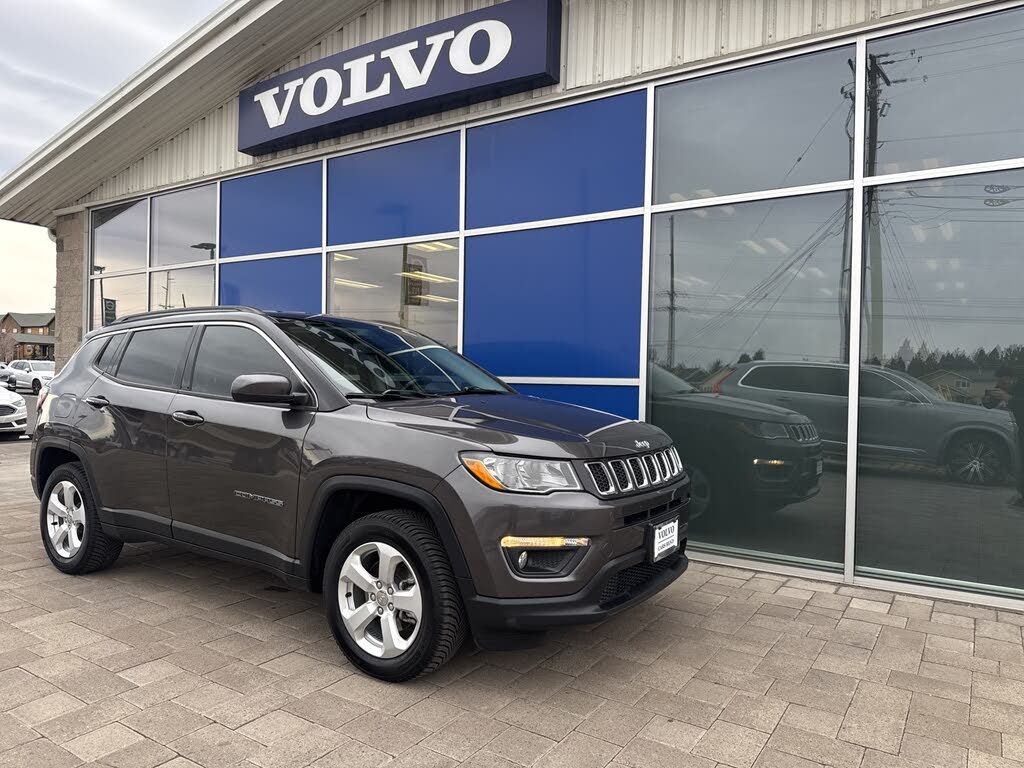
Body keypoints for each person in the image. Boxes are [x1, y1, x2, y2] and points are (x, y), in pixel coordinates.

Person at [987, 367, 1024, 506]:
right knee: (1021, 463)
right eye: (998, 383)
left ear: (1012, 380)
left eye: (1002, 383)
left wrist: (1008, 398)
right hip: (1022, 429)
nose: (1000, 386)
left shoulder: (1021, 386)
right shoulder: (1005, 386)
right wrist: (990, 396)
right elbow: (989, 405)